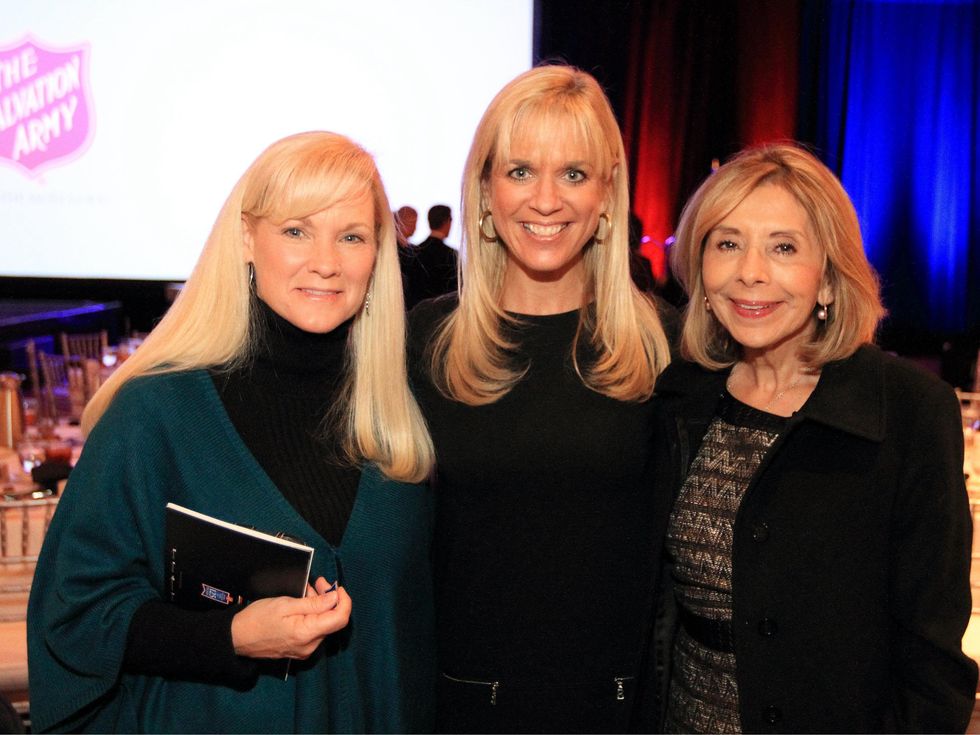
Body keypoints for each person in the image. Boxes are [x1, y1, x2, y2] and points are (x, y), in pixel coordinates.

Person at [28, 132, 437, 733]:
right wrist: (231, 637)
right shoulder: (155, 415)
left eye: (351, 236)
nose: (325, 261)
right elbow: (76, 617)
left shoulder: (404, 418)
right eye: (296, 230)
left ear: (377, 255)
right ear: (247, 238)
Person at [647, 143, 977, 732]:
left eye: (783, 247)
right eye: (727, 243)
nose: (750, 271)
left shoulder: (907, 411)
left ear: (828, 277)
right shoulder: (680, 396)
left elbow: (933, 653)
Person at [408, 65, 675, 733]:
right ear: (486, 190)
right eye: (521, 171)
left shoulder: (665, 346)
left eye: (575, 174)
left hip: (618, 708)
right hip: (461, 707)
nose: (546, 200)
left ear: (608, 193)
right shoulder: (422, 341)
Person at [404, 204, 458, 309]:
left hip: (416, 314)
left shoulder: (415, 253)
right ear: (447, 221)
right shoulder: (452, 255)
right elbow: (456, 293)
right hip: (443, 314)